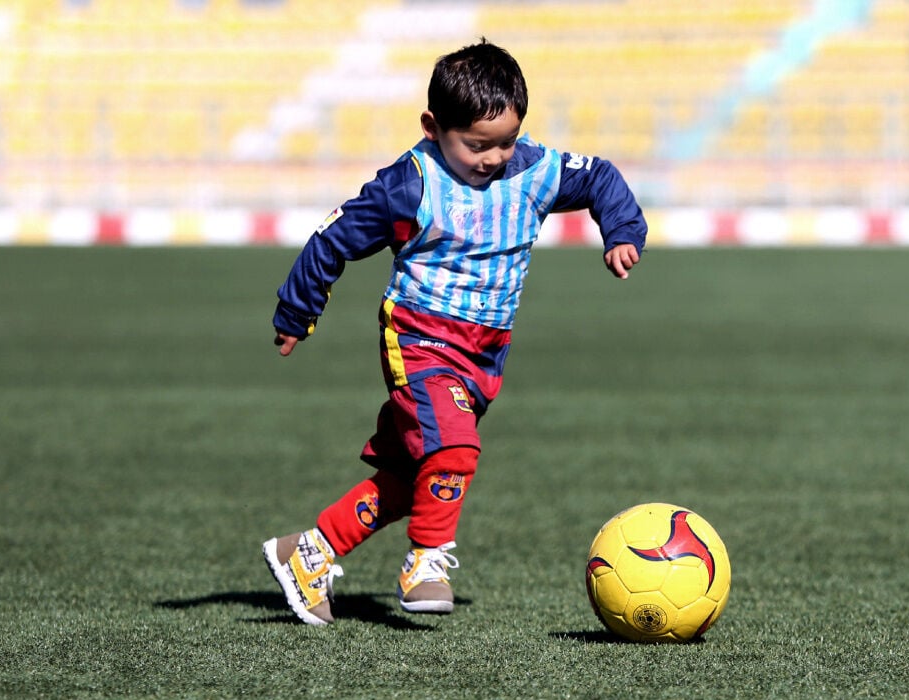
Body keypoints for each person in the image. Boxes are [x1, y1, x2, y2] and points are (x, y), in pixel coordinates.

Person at [262, 40, 647, 625]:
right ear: (433, 126)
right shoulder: (409, 185)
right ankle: (427, 560)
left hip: (485, 353)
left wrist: (620, 229)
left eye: (505, 141)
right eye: (476, 144)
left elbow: (600, 177)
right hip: (419, 336)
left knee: (417, 474)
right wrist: (297, 312)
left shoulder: (536, 170)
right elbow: (332, 239)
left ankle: (308, 553)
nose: (493, 158)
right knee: (455, 449)